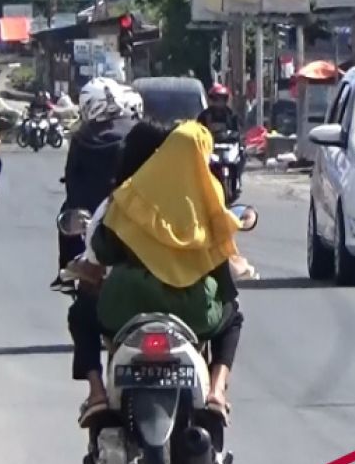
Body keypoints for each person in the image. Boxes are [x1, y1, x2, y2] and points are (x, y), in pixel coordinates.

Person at [65, 120, 249, 429]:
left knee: (81, 314)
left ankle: (96, 394)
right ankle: (217, 391)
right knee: (234, 317)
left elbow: (103, 251)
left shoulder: (125, 198)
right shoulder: (206, 201)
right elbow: (221, 260)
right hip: (193, 313)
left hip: (124, 308)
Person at [54, 79, 136, 291]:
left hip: (92, 209)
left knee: (66, 216)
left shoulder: (82, 137)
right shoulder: (137, 131)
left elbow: (72, 178)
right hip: (135, 207)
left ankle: (67, 274)